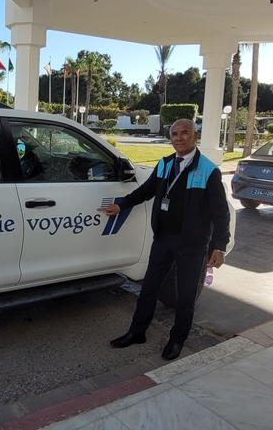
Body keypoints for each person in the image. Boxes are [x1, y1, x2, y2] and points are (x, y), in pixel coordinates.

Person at [98, 119, 232, 361]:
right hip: (164, 239)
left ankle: (177, 339)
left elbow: (220, 213)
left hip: (192, 245)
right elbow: (146, 191)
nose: (179, 138)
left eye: (184, 133)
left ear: (195, 136)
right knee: (149, 288)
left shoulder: (208, 170)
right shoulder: (165, 164)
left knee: (186, 296)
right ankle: (137, 332)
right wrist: (121, 205)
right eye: (174, 134)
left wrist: (219, 247)